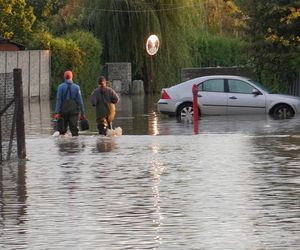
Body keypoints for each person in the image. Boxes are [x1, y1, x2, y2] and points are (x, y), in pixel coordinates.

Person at [53, 70, 86, 136]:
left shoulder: (60, 87)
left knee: (62, 130)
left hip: (63, 111)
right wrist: (83, 113)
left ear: (64, 77)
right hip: (73, 111)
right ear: (72, 77)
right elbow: (80, 102)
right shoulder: (77, 87)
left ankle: (63, 144)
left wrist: (57, 112)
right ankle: (75, 144)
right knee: (74, 130)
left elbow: (58, 100)